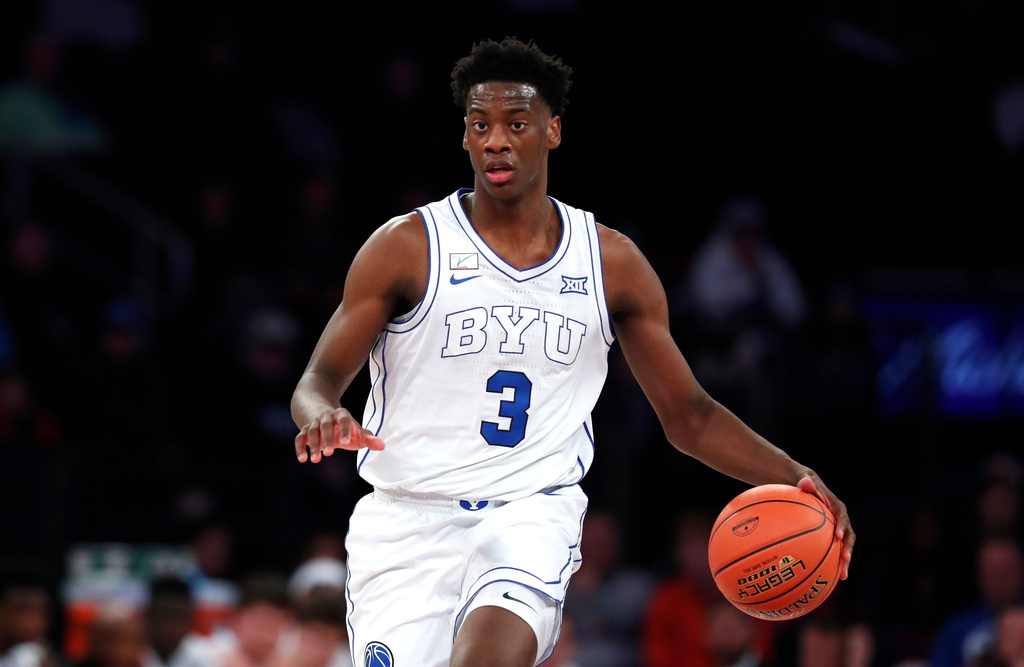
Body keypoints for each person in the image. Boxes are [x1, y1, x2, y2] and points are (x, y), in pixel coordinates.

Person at [290, 36, 855, 667]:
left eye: (516, 123)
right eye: (480, 125)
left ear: (552, 130)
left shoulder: (610, 263)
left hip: (530, 512)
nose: (496, 140)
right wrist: (321, 413)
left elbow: (689, 416)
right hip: (405, 521)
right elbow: (317, 378)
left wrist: (795, 476)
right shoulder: (407, 246)